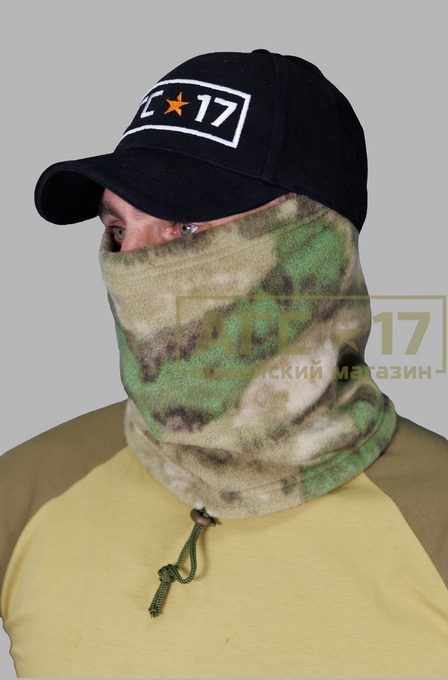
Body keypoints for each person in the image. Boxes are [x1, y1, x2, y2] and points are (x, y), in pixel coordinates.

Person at [1, 49, 447, 678]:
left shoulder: (436, 521)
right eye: (119, 228)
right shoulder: (23, 495)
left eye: (184, 227)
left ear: (312, 247)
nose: (133, 262)